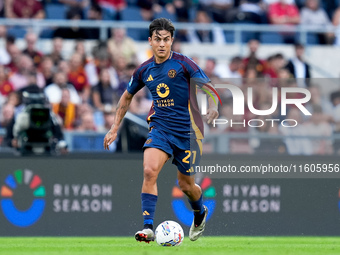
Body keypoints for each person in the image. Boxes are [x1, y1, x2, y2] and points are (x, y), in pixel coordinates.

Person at [103, 18, 219, 243]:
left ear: (172, 41)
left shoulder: (184, 63)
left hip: (188, 133)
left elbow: (209, 88)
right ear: (150, 41)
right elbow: (127, 97)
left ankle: (199, 212)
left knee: (186, 186)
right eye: (158, 40)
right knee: (149, 170)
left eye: (166, 40)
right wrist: (114, 128)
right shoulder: (144, 70)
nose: (162, 44)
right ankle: (148, 227)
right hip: (160, 129)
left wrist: (213, 106)